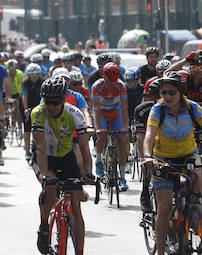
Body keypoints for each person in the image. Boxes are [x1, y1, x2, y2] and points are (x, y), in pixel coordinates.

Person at [141, 72, 202, 255]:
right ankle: (160, 251)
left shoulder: (193, 108)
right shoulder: (158, 110)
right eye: (164, 92)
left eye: (171, 92)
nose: (167, 96)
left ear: (181, 92)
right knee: (165, 207)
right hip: (162, 159)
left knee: (196, 195)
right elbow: (150, 135)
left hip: (188, 156)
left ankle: (193, 216)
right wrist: (147, 156)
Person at [32, 74, 94, 255]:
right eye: (47, 102)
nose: (50, 106)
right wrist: (44, 174)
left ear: (63, 99)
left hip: (66, 157)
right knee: (50, 188)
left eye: (55, 102)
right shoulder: (38, 112)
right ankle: (44, 225)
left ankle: (80, 250)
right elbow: (41, 147)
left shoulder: (75, 114)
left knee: (76, 205)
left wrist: (88, 172)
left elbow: (84, 147)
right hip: (45, 156)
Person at [90, 63, 131, 191]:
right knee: (102, 134)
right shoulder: (97, 86)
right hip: (101, 113)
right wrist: (99, 128)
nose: (113, 83)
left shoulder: (121, 86)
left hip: (115, 113)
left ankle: (123, 177)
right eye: (110, 81)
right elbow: (96, 108)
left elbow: (124, 108)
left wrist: (125, 126)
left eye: (115, 81)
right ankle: (98, 160)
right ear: (104, 77)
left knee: (123, 139)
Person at [134, 78, 161, 212]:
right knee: (147, 166)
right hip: (148, 143)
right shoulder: (142, 110)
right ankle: (145, 191)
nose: (163, 98)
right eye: (158, 95)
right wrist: (145, 157)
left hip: (166, 145)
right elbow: (141, 136)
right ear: (151, 96)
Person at [22, 63, 45, 159]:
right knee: (27, 128)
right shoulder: (25, 83)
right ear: (28, 75)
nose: (34, 77)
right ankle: (27, 151)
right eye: (32, 75)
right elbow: (24, 96)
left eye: (36, 74)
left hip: (40, 104)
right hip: (28, 104)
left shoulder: (43, 82)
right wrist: (26, 109)